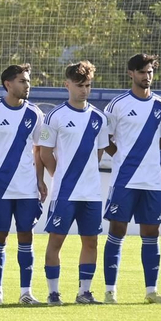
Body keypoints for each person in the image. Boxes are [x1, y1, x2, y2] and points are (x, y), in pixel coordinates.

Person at [102, 53, 161, 304]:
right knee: (117, 230)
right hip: (124, 180)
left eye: (150, 72)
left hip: (152, 181)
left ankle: (151, 291)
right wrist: (122, 157)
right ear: (131, 73)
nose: (147, 76)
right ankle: (110, 291)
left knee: (151, 232)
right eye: (142, 72)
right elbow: (105, 140)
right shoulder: (117, 105)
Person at [0, 63, 47, 305]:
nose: (27, 85)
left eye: (28, 81)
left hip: (27, 188)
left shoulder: (35, 114)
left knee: (27, 236)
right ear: (8, 84)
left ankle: (26, 292)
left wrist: (40, 180)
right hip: (0, 188)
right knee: (0, 237)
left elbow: (39, 150)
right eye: (22, 81)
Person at [38, 60, 108, 306]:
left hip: (91, 193)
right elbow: (45, 153)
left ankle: (84, 292)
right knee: (56, 241)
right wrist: (60, 176)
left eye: (88, 85)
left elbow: (98, 153)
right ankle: (53, 293)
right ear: (67, 85)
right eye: (79, 85)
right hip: (65, 192)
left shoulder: (99, 118)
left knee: (91, 241)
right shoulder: (55, 116)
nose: (84, 90)